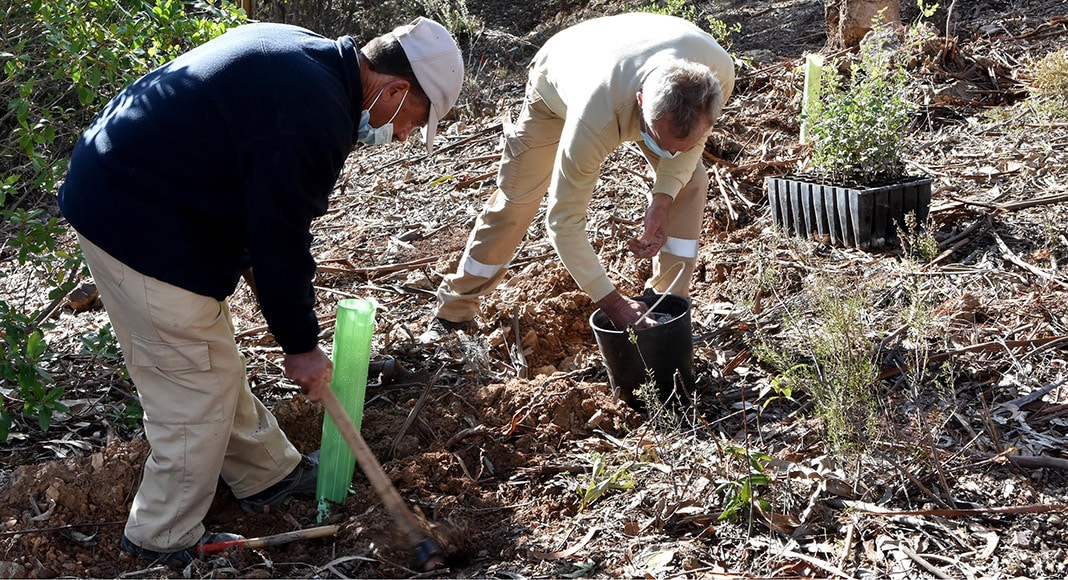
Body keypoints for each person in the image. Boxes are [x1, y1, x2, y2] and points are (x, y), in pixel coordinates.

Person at [58, 17, 463, 566]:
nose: (403, 136)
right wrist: (300, 344)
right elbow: (279, 237)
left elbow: (255, 205)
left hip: (137, 196)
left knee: (209, 358)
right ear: (394, 90)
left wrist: (290, 324)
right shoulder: (311, 115)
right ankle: (160, 537)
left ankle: (268, 474)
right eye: (412, 121)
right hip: (137, 222)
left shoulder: (304, 57)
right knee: (193, 387)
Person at [434, 13, 734, 332]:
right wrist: (612, 303)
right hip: (560, 75)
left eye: (681, 147)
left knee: (690, 180)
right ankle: (454, 311)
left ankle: (666, 303)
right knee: (517, 202)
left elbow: (684, 151)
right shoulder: (594, 118)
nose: (671, 155)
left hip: (631, 52)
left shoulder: (718, 74)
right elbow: (564, 221)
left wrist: (662, 200)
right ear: (641, 102)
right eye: (663, 143)